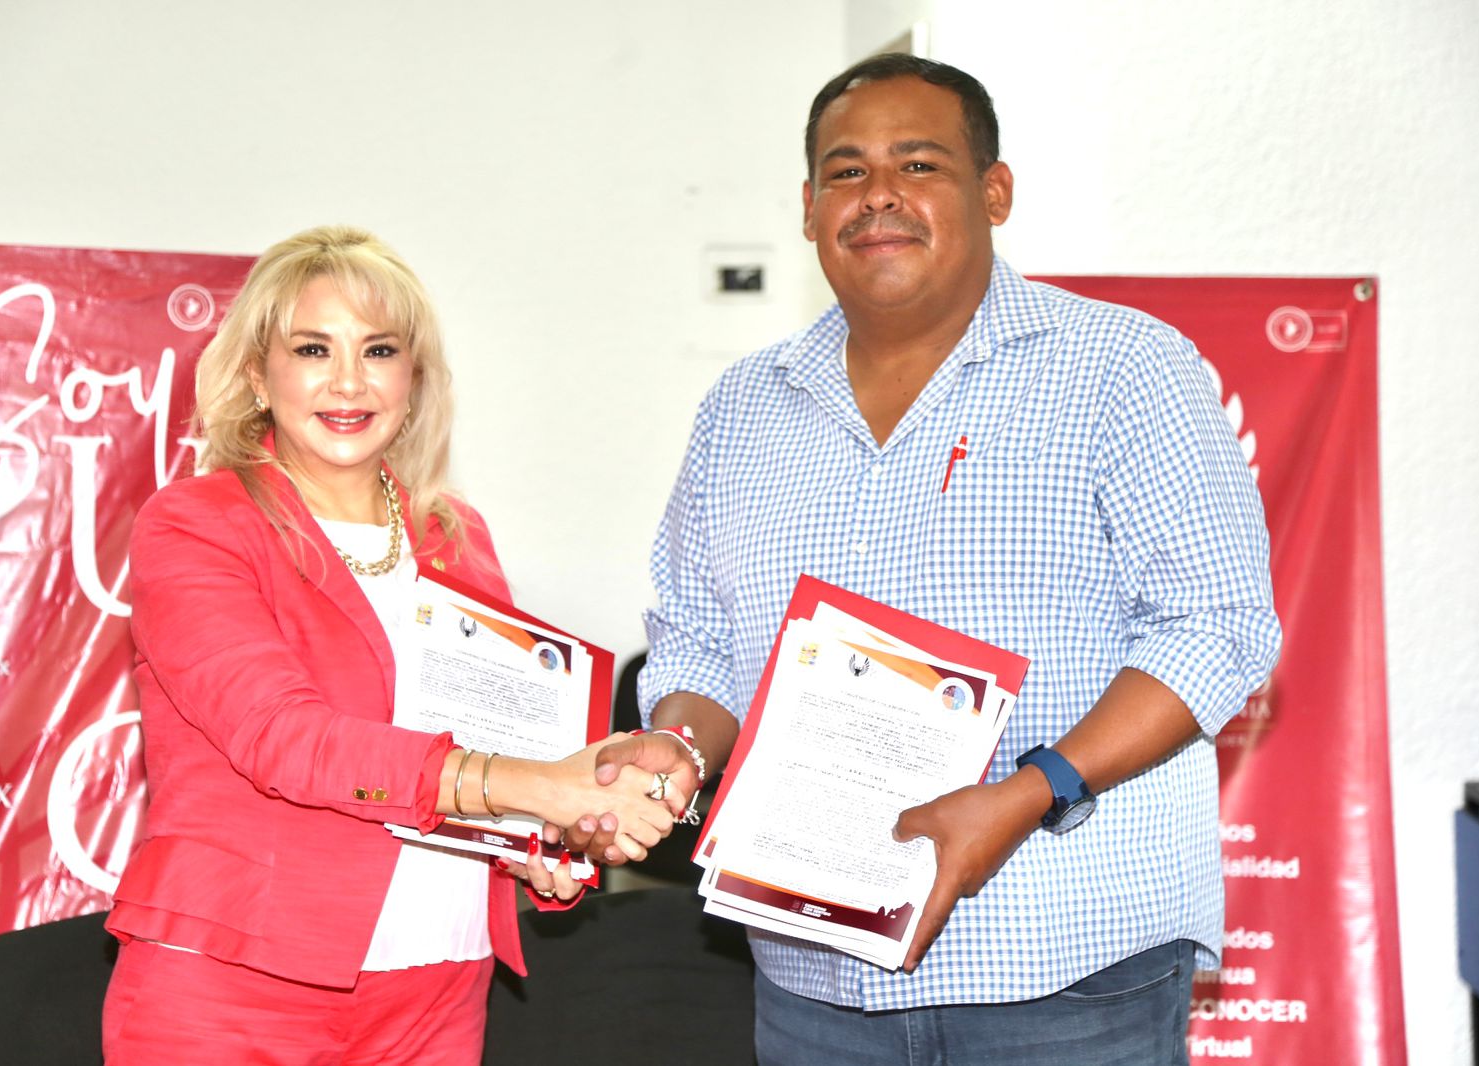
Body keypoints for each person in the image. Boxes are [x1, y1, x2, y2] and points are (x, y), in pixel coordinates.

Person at [565, 55, 1281, 1065]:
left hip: (1062, 967)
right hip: (815, 976)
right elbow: (699, 639)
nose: (878, 195)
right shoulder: (741, 409)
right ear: (809, 209)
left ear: (994, 192)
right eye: (846, 172)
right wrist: (676, 748)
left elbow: (1217, 626)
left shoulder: (1124, 368)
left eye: (918, 164)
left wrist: (1029, 793)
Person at [102, 225, 677, 1065]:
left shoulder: (455, 534)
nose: (348, 381)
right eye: (312, 349)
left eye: (378, 350)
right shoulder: (195, 525)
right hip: (234, 986)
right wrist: (536, 787)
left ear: (413, 378)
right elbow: (283, 738)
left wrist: (546, 840)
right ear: (257, 374)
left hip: (438, 988)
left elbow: (496, 745)